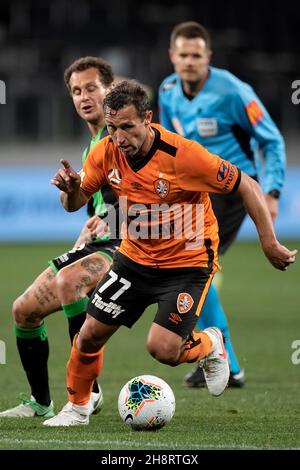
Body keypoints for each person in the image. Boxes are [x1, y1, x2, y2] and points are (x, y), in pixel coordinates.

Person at [43, 80, 296, 426]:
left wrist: (269, 243)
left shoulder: (184, 156)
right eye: (113, 127)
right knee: (89, 334)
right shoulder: (106, 152)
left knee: (162, 350)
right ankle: (77, 408)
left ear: (147, 119)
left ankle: (209, 344)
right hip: (134, 260)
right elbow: (73, 205)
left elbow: (246, 185)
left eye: (128, 127)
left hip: (187, 263)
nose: (119, 137)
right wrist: (71, 191)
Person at [158, 21, 286, 388]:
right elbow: (170, 142)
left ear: (208, 57)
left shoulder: (233, 91)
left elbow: (272, 140)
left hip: (232, 191)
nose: (189, 61)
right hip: (194, 192)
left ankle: (224, 360)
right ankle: (221, 358)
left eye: (196, 55)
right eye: (183, 55)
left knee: (190, 263)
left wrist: (272, 192)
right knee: (190, 267)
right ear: (172, 56)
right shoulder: (168, 91)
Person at [0, 56, 119, 418]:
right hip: (102, 243)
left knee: (70, 283)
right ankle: (40, 401)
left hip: (129, 245)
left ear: (110, 90)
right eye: (76, 91)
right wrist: (72, 192)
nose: (84, 97)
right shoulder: (91, 148)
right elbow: (78, 204)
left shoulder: (123, 136)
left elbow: (142, 191)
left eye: (92, 88)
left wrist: (108, 216)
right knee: (23, 311)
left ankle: (88, 392)